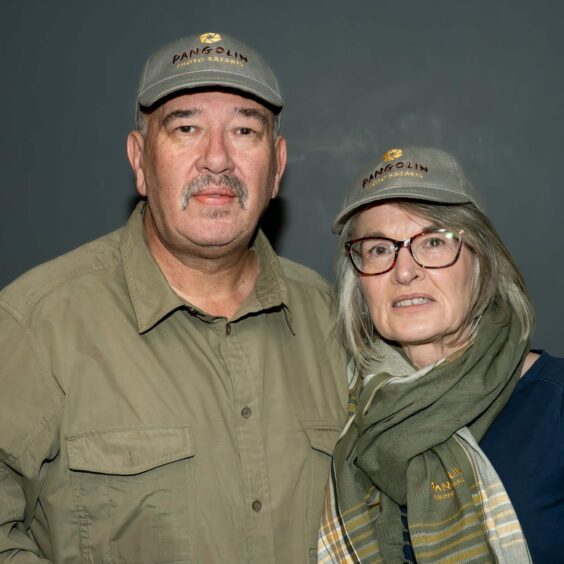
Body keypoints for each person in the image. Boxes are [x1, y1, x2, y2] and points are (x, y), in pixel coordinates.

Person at [0, 32, 348, 563]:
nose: (217, 158)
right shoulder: (35, 324)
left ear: (276, 166)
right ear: (139, 159)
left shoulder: (336, 324)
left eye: (244, 129)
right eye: (186, 128)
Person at [318, 146, 564, 563]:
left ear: (482, 261)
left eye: (433, 241)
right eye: (379, 248)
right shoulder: (341, 410)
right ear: (358, 283)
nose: (404, 270)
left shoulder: (554, 407)